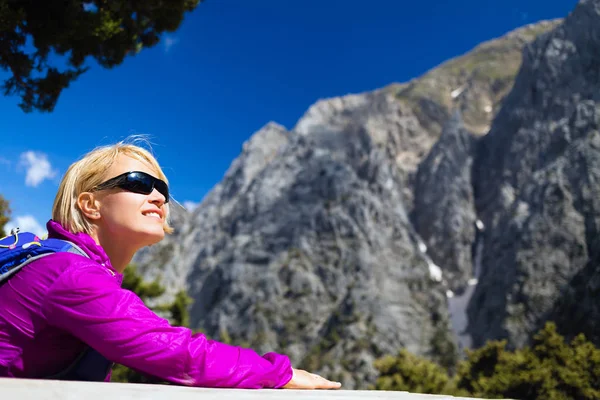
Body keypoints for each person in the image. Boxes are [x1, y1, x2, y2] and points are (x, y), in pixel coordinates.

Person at [0, 139, 341, 390]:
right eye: (137, 183)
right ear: (90, 205)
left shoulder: (69, 268)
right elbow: (178, 353)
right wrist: (278, 372)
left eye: (162, 188)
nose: (159, 197)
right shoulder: (69, 274)